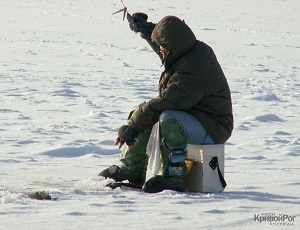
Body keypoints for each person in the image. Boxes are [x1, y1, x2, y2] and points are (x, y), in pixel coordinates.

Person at [99, 13, 233, 193]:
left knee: (167, 117)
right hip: (196, 116)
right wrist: (145, 29)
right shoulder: (188, 50)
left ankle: (174, 176)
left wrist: (133, 126)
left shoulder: (192, 70)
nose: (160, 50)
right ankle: (132, 169)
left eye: (163, 48)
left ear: (172, 48)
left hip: (214, 127)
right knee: (145, 112)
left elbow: (168, 102)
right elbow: (168, 44)